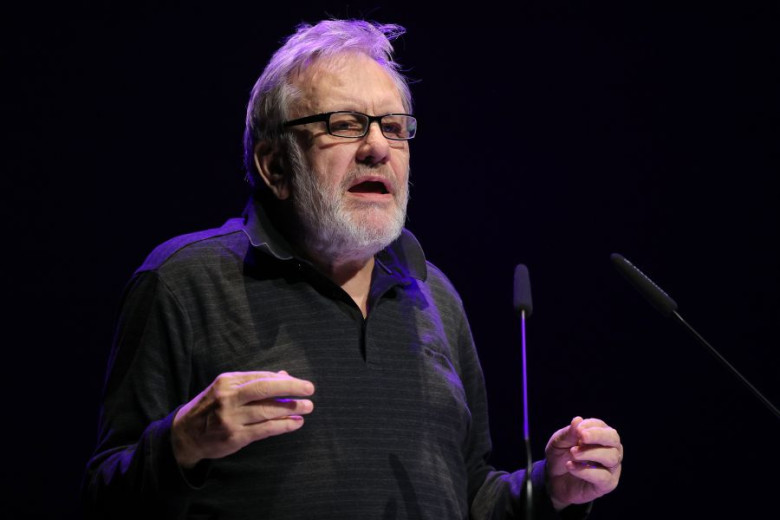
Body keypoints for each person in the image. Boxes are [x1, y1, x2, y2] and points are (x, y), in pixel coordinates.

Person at [83, 19, 623, 519]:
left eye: (393, 126)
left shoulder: (435, 296)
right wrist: (182, 442)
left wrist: (549, 487)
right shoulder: (184, 282)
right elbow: (102, 497)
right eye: (344, 125)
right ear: (274, 165)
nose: (377, 148)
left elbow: (470, 494)